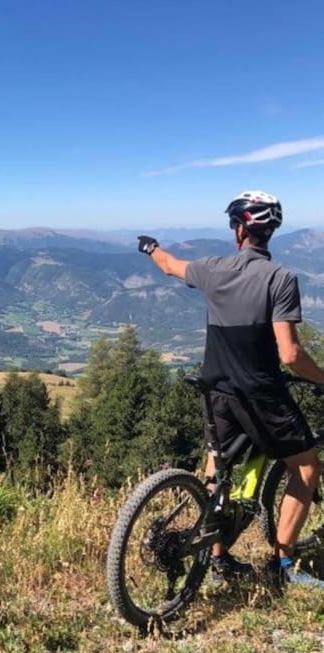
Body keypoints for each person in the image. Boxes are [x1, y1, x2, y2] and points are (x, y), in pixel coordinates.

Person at [137, 190, 324, 588]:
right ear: (269, 232)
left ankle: (216, 556)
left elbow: (169, 266)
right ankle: (284, 564)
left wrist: (150, 247)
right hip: (260, 394)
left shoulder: (213, 268)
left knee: (217, 466)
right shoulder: (280, 279)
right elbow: (290, 356)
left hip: (216, 391)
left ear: (239, 229)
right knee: (307, 468)